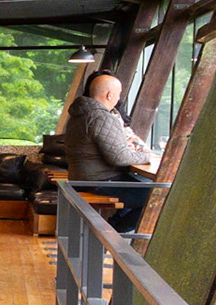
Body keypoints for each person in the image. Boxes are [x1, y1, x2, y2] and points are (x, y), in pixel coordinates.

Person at [63, 70, 157, 234]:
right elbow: (119, 157)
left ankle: (113, 228)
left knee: (141, 185)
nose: (119, 98)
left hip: (81, 179)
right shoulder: (102, 117)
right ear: (109, 95)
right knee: (158, 196)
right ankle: (112, 232)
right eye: (119, 94)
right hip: (98, 182)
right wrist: (147, 157)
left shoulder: (78, 115)